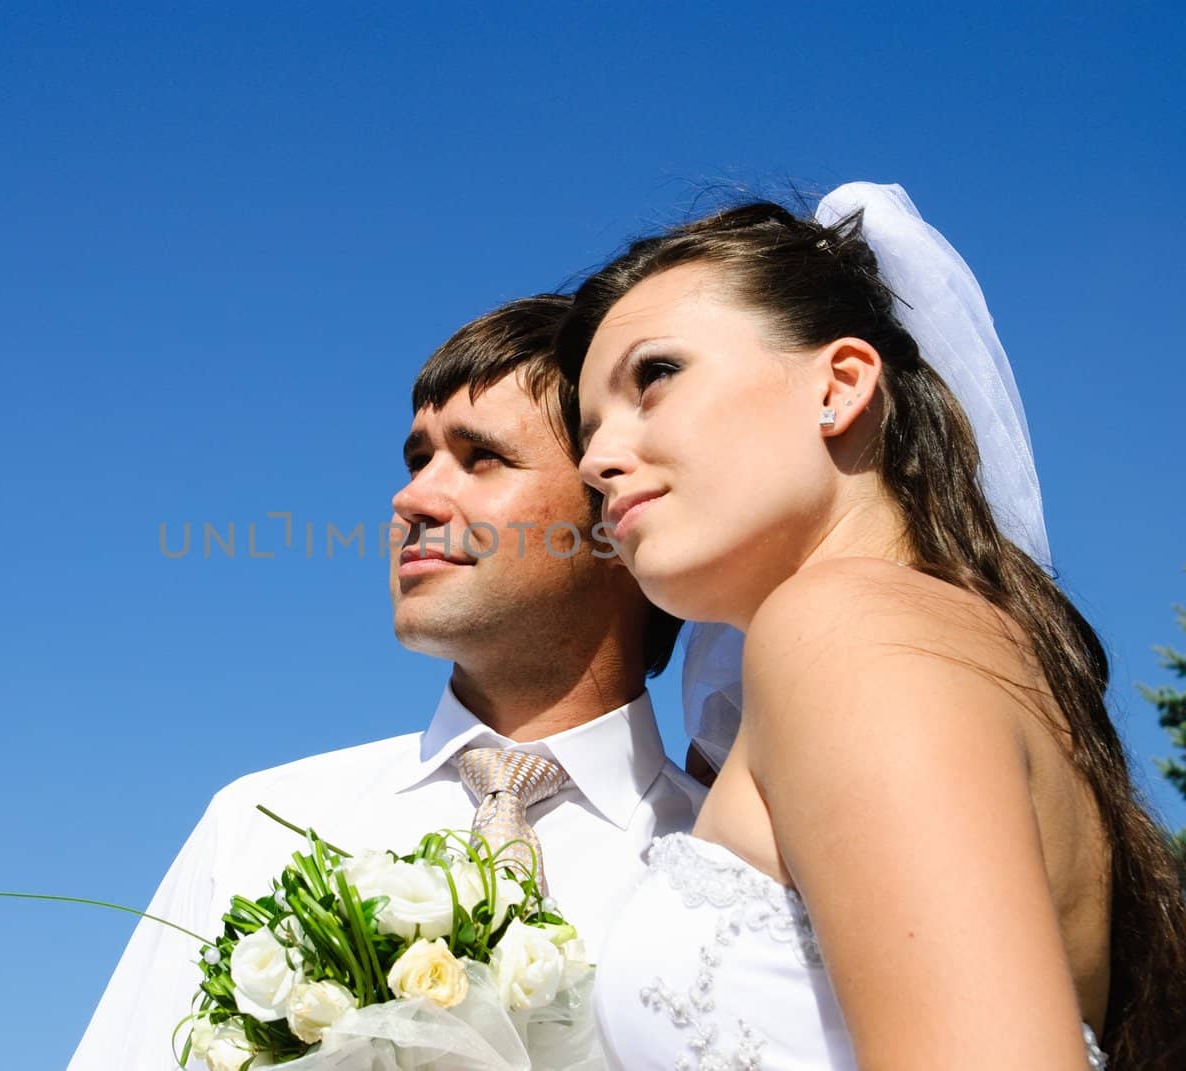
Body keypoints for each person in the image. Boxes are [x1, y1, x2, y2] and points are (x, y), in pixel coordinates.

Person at [557, 183, 1186, 1070]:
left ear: (841, 384)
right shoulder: (930, 634)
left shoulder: (844, 623)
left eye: (655, 376)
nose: (595, 459)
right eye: (587, 430)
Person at [66, 295, 706, 1069]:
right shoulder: (257, 823)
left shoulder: (734, 872)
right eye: (417, 459)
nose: (412, 499)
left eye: (482, 458)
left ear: (617, 508)